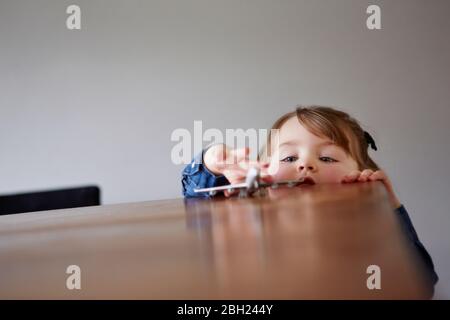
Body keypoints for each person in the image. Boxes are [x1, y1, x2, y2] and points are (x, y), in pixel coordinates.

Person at [181, 105, 438, 289]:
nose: (305, 165)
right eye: (289, 158)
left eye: (327, 157)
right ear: (264, 169)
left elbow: (422, 284)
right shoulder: (250, 209)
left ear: (359, 174)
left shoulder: (363, 226)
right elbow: (195, 200)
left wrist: (390, 208)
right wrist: (212, 165)